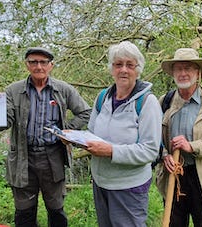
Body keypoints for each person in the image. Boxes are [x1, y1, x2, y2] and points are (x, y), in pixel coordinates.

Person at [0, 47, 91, 227]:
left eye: (43, 62)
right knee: (24, 211)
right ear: (27, 65)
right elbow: (2, 124)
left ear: (51, 65)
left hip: (53, 157)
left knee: (56, 208)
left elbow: (85, 112)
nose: (38, 66)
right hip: (22, 158)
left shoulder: (63, 89)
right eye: (33, 62)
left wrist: (66, 131)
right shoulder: (13, 90)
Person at [85, 41, 162, 226]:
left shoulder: (147, 102)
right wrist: (73, 138)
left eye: (130, 65)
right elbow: (91, 133)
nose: (124, 70)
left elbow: (150, 151)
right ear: (111, 69)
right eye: (118, 64)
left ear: (138, 69)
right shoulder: (103, 97)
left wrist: (111, 151)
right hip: (101, 182)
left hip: (129, 187)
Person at [155, 48, 202, 227]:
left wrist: (192, 146)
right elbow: (152, 137)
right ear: (173, 73)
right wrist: (164, 155)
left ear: (198, 73)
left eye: (188, 68)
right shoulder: (163, 102)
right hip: (173, 176)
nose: (183, 73)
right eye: (178, 69)